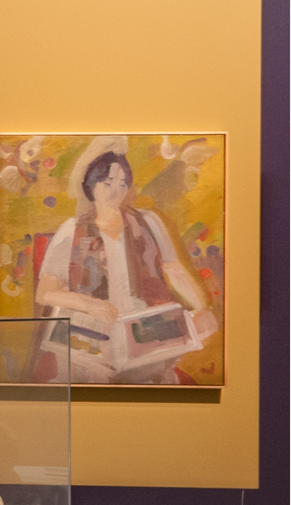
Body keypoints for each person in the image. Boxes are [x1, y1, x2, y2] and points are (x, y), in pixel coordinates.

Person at [30, 139, 217, 384]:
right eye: (108, 183)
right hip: (95, 326)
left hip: (145, 325)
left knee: (150, 370)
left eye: (122, 184)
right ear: (91, 185)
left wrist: (201, 307)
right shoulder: (71, 230)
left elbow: (174, 269)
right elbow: (45, 293)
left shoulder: (149, 222)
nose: (115, 191)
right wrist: (90, 304)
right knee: (98, 375)